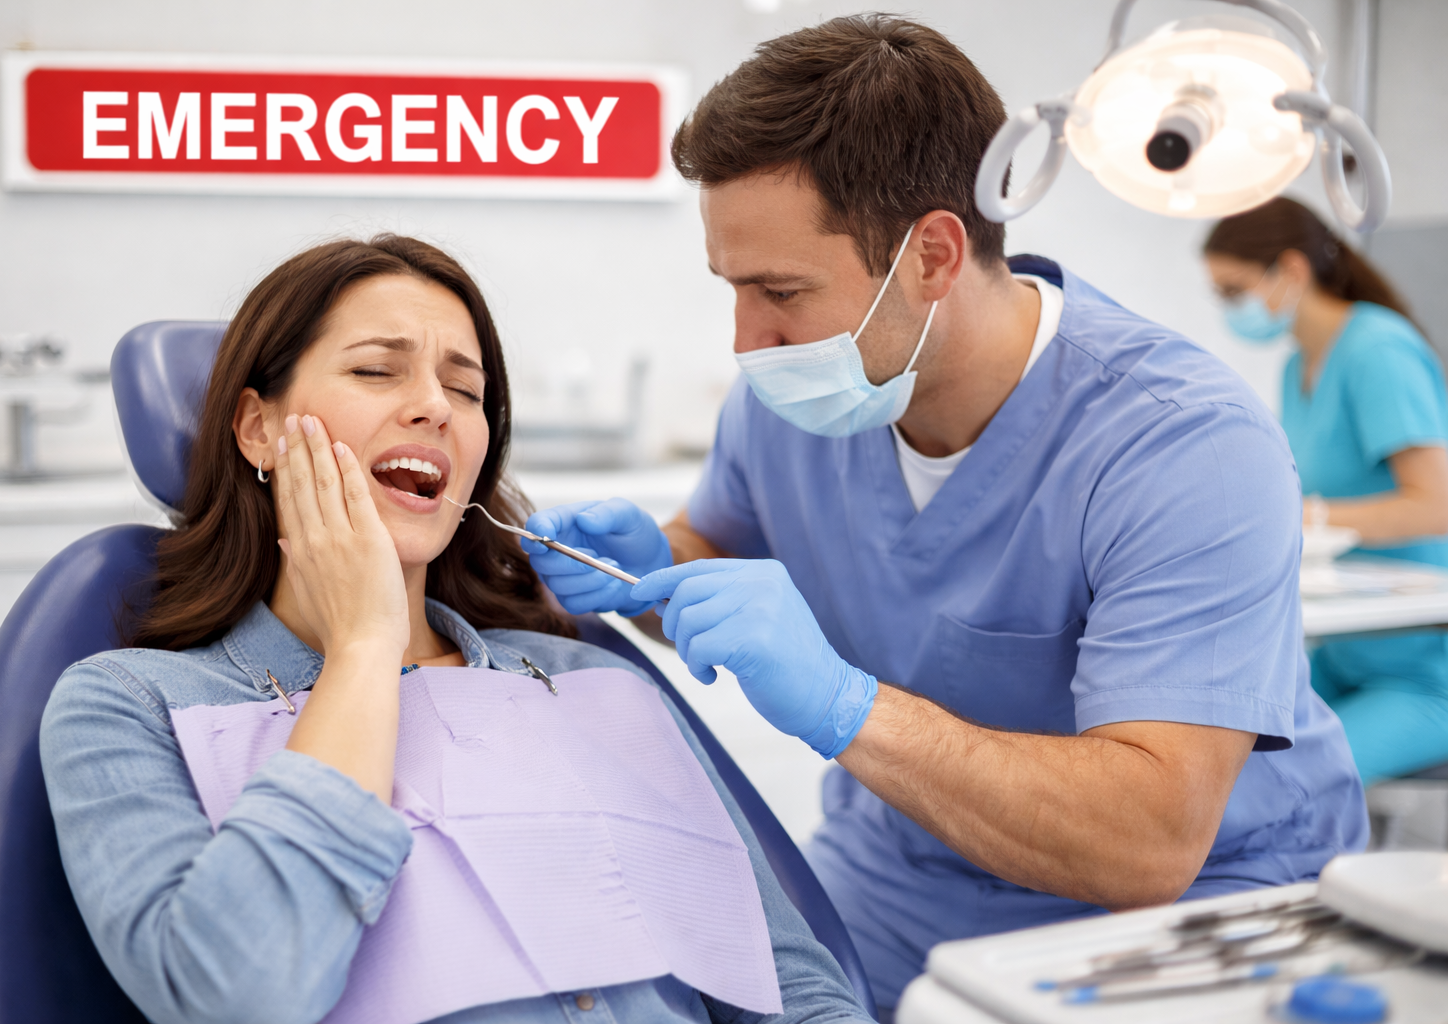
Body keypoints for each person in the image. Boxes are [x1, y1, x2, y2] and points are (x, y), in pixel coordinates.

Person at [522, 16, 1367, 1013]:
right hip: (899, 877)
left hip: (1183, 910)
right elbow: (720, 559)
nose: (748, 338)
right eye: (732, 288)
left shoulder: (1181, 444)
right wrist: (648, 571)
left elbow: (1147, 841)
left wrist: (846, 705)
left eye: (780, 289)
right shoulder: (784, 401)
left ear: (932, 253)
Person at [39, 235, 873, 1024]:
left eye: (467, 391)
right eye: (375, 370)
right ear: (259, 427)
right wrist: (365, 648)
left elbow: (790, 985)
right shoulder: (127, 706)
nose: (435, 407)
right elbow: (238, 993)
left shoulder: (585, 679)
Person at [1205, 196, 1448, 785]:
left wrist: (1305, 518)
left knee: (1280, 786)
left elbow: (1436, 505)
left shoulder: (1376, 349)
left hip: (1421, 672)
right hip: (1345, 652)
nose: (1229, 309)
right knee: (1220, 760)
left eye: (1235, 290)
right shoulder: (1299, 366)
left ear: (1291, 270)